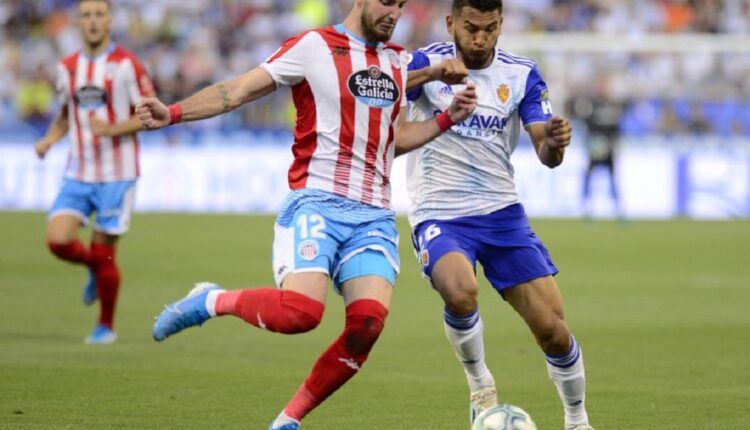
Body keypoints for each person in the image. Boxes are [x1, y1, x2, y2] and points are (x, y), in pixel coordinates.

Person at [136, 1, 476, 428]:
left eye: (402, 5)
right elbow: (238, 91)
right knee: (299, 314)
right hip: (317, 201)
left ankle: (288, 419)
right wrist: (173, 113)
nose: (395, 13)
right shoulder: (313, 46)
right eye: (387, 2)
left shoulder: (396, 61)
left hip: (373, 215)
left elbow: (396, 139)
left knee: (367, 325)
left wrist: (447, 119)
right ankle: (211, 300)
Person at [405, 1, 595, 429]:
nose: (480, 37)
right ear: (452, 23)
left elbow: (546, 153)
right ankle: (480, 382)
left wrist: (557, 142)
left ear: (501, 25)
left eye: (489, 29)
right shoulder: (426, 63)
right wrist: (434, 74)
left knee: (553, 330)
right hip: (440, 211)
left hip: (502, 214)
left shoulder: (521, 74)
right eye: (471, 27)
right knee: (460, 290)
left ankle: (577, 418)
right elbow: (386, 85)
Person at [34, 0, 154, 345]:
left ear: (110, 21)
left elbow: (151, 114)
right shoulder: (67, 67)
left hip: (118, 174)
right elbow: (63, 114)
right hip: (78, 171)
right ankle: (92, 266)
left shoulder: (128, 65)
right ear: (77, 22)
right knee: (57, 241)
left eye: (99, 14)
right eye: (86, 15)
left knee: (106, 254)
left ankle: (106, 326)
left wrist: (113, 129)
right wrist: (50, 139)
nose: (93, 21)